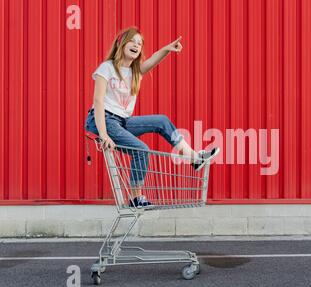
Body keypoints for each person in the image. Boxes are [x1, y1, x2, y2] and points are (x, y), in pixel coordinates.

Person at [85, 26, 219, 208]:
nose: (136, 45)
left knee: (161, 121)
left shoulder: (135, 72)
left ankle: (194, 158)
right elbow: (98, 101)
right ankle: (136, 198)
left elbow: (152, 61)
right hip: (102, 120)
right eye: (132, 41)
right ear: (121, 44)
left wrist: (167, 49)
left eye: (139, 43)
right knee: (141, 149)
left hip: (121, 121)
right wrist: (104, 134)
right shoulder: (106, 68)